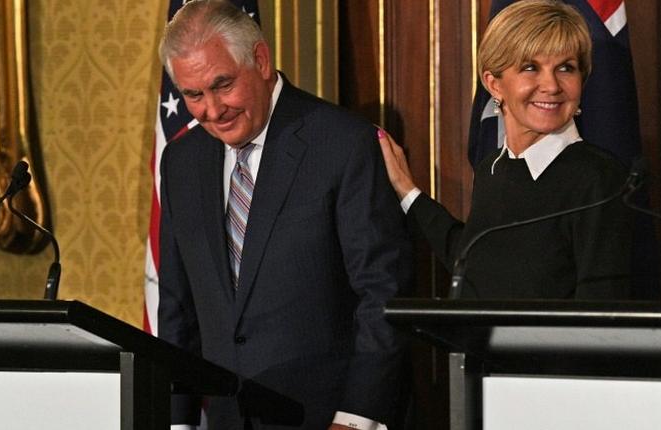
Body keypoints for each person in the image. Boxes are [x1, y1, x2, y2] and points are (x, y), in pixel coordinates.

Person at [156, 1, 410, 429]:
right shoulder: (181, 159)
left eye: (223, 85)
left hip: (324, 417)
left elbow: (383, 292)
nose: (212, 111)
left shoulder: (342, 144)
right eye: (193, 95)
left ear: (260, 59)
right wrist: (177, 421)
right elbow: (178, 306)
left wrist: (355, 416)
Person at [378, 0, 632, 300]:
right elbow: (478, 261)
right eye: (530, 67)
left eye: (566, 68)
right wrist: (407, 191)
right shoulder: (493, 168)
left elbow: (600, 313)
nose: (551, 85)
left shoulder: (597, 177)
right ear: (494, 84)